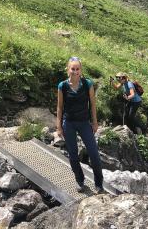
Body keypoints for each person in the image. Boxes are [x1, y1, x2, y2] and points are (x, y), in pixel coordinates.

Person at [57, 56, 103, 193]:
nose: (75, 71)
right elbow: (59, 107)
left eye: (77, 69)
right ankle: (80, 181)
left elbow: (93, 105)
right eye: (72, 69)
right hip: (69, 123)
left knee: (94, 153)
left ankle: (99, 184)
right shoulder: (62, 86)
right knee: (73, 154)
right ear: (68, 69)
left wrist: (95, 122)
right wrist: (59, 126)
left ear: (81, 70)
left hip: (84, 123)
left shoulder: (87, 84)